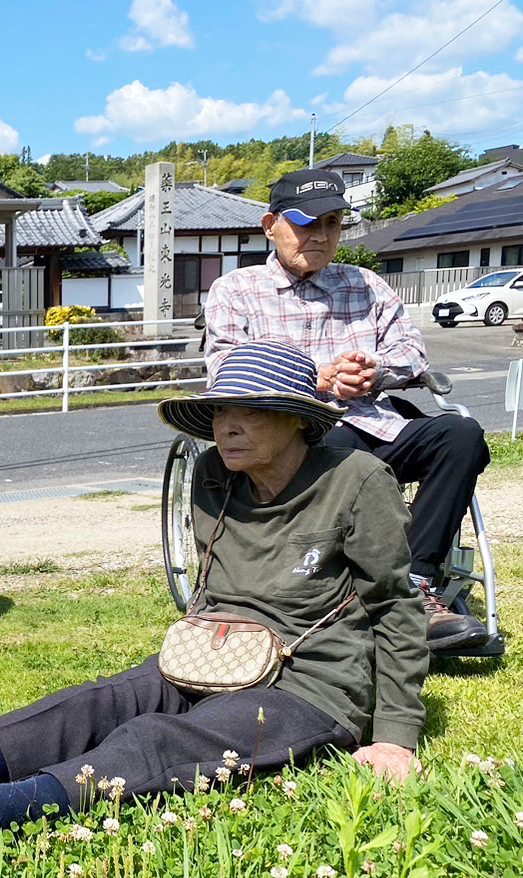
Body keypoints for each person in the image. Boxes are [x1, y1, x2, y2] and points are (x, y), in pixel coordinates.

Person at [0, 341, 428, 850]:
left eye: (251, 411)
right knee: (96, 703)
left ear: (298, 418)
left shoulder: (356, 481)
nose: (227, 427)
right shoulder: (215, 475)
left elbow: (396, 608)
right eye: (218, 411)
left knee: (160, 738)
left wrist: (396, 735)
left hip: (312, 684)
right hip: (218, 652)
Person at [203, 168, 490, 651]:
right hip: (299, 429)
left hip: (375, 419)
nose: (321, 235)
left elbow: (412, 351)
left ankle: (414, 587)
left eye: (332, 223)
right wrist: (313, 378)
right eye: (306, 223)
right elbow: (223, 365)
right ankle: (333, 591)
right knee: (332, 451)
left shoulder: (366, 284)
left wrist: (373, 371)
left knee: (461, 435)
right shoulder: (237, 290)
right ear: (270, 224)